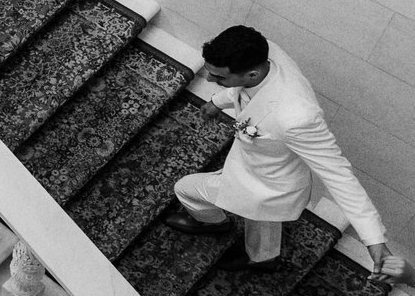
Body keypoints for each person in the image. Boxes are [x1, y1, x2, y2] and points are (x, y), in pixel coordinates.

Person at [164, 26, 392, 276]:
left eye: (218, 78)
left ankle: (213, 223)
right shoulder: (264, 52)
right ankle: (263, 258)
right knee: (261, 220)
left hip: (269, 186)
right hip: (265, 169)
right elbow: (241, 89)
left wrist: (374, 238)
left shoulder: (297, 117)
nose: (208, 80)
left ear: (251, 74)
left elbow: (339, 175)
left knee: (185, 188)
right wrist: (218, 102)